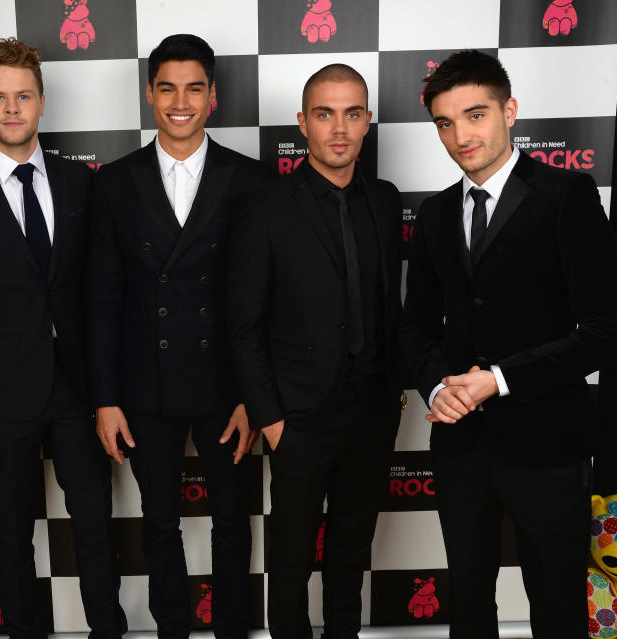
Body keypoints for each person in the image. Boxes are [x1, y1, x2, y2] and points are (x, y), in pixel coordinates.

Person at [400, 49, 617, 638]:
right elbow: (416, 326)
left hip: (549, 441)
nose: (460, 135)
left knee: (555, 606)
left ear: (510, 111)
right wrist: (436, 389)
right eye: (445, 123)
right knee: (469, 606)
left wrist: (497, 379)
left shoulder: (566, 196)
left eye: (475, 115)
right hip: (461, 443)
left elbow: (606, 330)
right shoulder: (434, 215)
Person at [0, 38, 125, 639]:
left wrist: (106, 394)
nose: (12, 109)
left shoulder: (80, 183)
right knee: (11, 536)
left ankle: (107, 631)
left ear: (41, 102)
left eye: (23, 96)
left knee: (94, 524)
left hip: (77, 392)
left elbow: (100, 296)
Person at [87, 33, 272, 639]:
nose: (180, 100)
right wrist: (106, 398)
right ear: (149, 94)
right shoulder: (114, 182)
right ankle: (172, 627)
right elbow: (103, 298)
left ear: (213, 96)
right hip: (144, 385)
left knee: (232, 522)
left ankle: (231, 630)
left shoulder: (251, 180)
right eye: (167, 87)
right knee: (159, 522)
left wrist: (255, 396)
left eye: (195, 87)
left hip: (226, 386)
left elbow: (263, 302)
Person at [227, 64, 405, 639]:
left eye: (353, 113)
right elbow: (245, 325)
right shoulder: (265, 207)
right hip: (298, 415)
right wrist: (271, 418)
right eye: (325, 114)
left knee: (352, 550)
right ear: (302, 122)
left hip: (372, 413)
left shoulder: (383, 199)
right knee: (291, 555)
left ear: (368, 122)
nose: (339, 128)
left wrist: (394, 390)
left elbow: (388, 306)